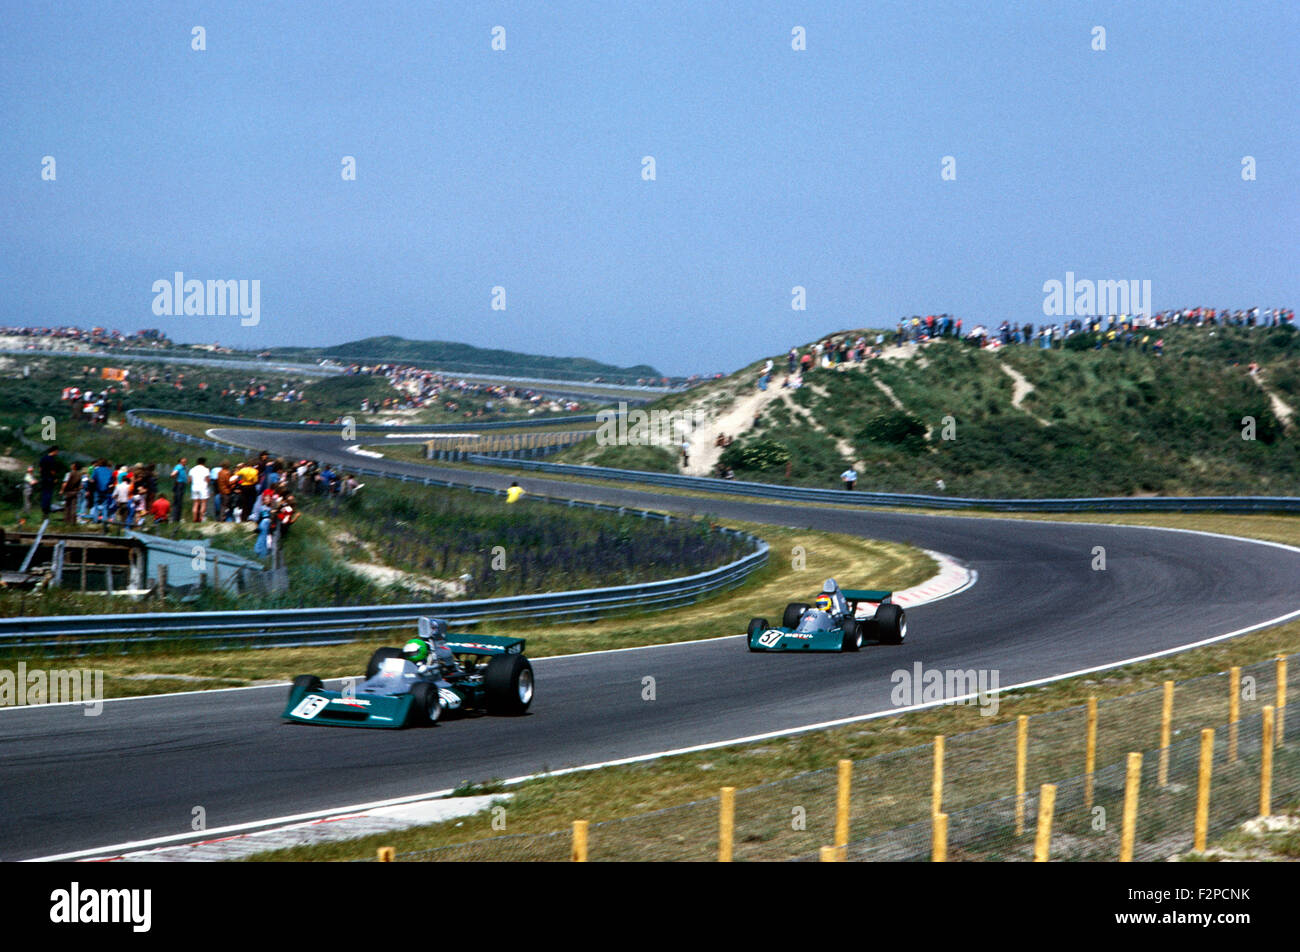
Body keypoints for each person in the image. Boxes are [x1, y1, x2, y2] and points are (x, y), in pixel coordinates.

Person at [38, 445, 60, 518]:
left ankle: (44, 510)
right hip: (49, 479)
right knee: (48, 495)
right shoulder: (51, 459)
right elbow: (52, 471)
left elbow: (40, 469)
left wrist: (42, 476)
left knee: (44, 494)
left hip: (43, 478)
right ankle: (47, 511)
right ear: (54, 451)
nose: (57, 452)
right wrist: (55, 478)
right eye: (57, 451)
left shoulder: (43, 458)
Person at [189, 457, 211, 523]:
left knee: (195, 503)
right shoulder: (206, 469)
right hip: (203, 487)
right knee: (203, 503)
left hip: (194, 487)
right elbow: (207, 479)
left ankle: (194, 518)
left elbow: (189, 480)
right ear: (204, 463)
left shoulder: (192, 469)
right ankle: (201, 518)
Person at [169, 457, 187, 522]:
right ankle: (175, 518)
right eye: (183, 461)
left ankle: (177, 518)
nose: (185, 462)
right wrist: (176, 480)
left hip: (181, 485)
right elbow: (173, 474)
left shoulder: (183, 468)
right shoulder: (179, 467)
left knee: (179, 501)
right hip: (179, 485)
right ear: (180, 462)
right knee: (177, 501)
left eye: (185, 461)